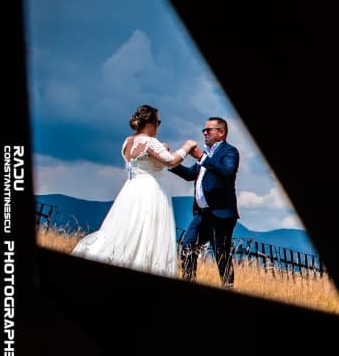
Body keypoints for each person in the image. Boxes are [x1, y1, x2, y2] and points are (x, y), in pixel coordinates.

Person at [71, 105, 197, 276]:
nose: (158, 126)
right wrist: (188, 146)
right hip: (150, 192)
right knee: (148, 231)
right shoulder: (149, 142)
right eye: (157, 122)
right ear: (150, 123)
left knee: (128, 228)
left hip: (131, 190)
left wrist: (164, 147)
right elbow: (171, 161)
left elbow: (148, 162)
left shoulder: (128, 142)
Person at [169, 116, 240, 287]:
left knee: (221, 256)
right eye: (204, 130)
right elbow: (190, 174)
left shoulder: (230, 152)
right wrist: (170, 162)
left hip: (221, 215)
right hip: (202, 215)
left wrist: (201, 157)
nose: (205, 133)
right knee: (187, 249)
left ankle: (227, 287)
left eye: (209, 130)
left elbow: (227, 172)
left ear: (221, 132)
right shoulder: (207, 155)